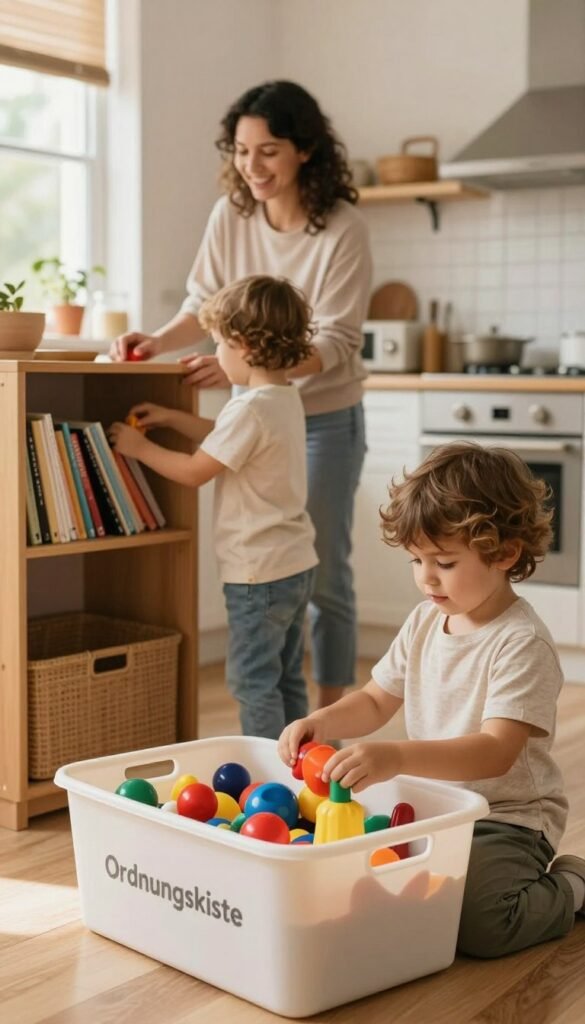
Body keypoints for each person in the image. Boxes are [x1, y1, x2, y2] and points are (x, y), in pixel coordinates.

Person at [110, 79, 372, 710]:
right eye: (241, 150)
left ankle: (330, 716)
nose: (251, 166)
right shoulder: (232, 215)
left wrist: (253, 370)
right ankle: (293, 730)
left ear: (305, 150)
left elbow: (335, 341)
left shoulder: (342, 228)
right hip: (261, 401)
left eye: (269, 151)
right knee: (290, 591)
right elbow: (203, 303)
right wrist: (158, 341)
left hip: (323, 416)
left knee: (324, 574)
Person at [278, 442, 585, 957]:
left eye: (444, 561)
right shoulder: (425, 620)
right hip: (436, 806)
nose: (426, 576)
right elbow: (377, 699)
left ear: (505, 553)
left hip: (505, 818)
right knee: (368, 885)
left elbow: (495, 751)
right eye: (417, 560)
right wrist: (322, 719)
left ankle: (573, 886)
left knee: (480, 926)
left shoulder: (520, 642)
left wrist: (396, 756)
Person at [109, 275, 318, 739]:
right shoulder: (282, 398)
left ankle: (267, 772)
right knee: (285, 676)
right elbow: (227, 435)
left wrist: (138, 449)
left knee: (251, 681)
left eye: (219, 344)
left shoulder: (249, 409)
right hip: (296, 565)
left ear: (242, 345)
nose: (217, 354)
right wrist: (171, 418)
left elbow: (194, 471)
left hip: (256, 575)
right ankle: (300, 761)